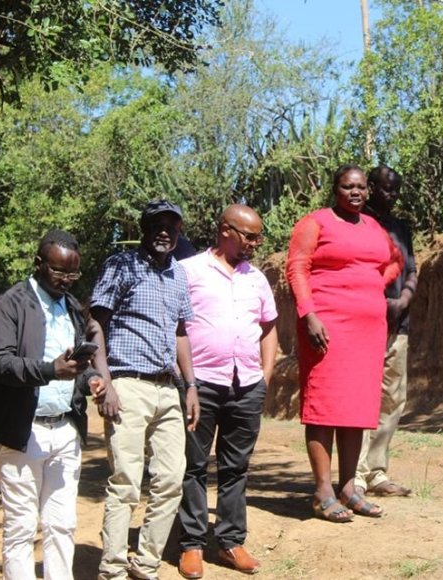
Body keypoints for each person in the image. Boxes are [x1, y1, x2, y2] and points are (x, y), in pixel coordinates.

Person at [0, 229, 109, 580]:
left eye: (73, 274)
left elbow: (74, 371)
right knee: (22, 526)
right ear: (38, 264)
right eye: (59, 272)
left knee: (62, 523)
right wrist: (49, 370)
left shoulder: (71, 308)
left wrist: (90, 381)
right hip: (21, 431)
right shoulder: (9, 305)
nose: (66, 280)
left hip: (65, 429)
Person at [285, 164, 403, 523]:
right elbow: (297, 268)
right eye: (348, 187)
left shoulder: (374, 227)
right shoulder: (315, 222)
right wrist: (310, 314)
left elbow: (394, 261)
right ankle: (322, 493)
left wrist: (368, 286)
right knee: (324, 407)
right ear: (335, 189)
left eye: (362, 187)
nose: (356, 193)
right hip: (327, 327)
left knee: (356, 411)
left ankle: (350, 488)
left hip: (367, 331)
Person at [91, 200, 200, 580]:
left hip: (168, 389)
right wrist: (105, 383)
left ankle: (147, 564)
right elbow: (96, 324)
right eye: (157, 224)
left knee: (171, 480)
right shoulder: (120, 265)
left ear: (180, 232)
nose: (165, 232)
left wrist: (190, 386)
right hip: (127, 384)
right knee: (126, 482)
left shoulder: (179, 275)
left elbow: (181, 332)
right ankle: (113, 569)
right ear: (143, 227)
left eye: (172, 226)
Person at [176, 204, 278, 578]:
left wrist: (264, 376)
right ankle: (191, 545)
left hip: (246, 385)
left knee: (236, 468)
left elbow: (268, 328)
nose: (255, 243)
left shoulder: (257, 279)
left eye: (257, 237)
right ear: (225, 230)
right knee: (194, 465)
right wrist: (184, 380)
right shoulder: (188, 272)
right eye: (249, 236)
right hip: (199, 385)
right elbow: (176, 327)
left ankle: (231, 542)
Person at [355, 166, 418, 498]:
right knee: (363, 396)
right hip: (363, 325)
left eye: (396, 190)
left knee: (393, 397)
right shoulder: (355, 224)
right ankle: (356, 475)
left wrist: (404, 298)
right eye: (384, 189)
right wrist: (377, 303)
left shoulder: (400, 228)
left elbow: (411, 269)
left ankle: (377, 472)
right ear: (370, 188)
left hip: (398, 324)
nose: (390, 196)